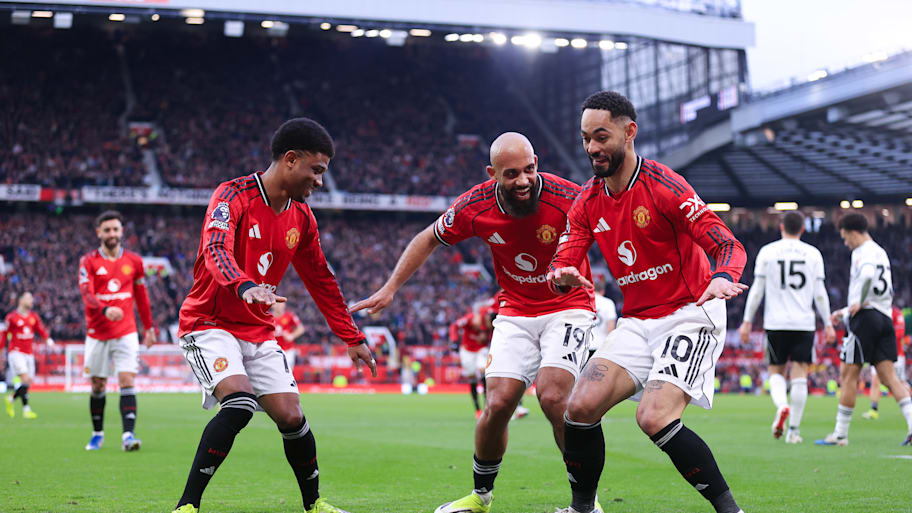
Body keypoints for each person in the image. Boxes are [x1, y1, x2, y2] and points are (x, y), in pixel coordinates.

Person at [352, 132, 596, 513]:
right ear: (492, 173)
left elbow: (610, 228)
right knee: (497, 404)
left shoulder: (568, 196)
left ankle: (586, 505)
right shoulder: (475, 205)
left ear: (537, 163)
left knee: (552, 397)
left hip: (569, 304)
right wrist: (390, 288)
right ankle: (480, 497)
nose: (523, 180)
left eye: (529, 170)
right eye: (511, 174)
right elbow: (427, 238)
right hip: (515, 310)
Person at [548, 91, 748, 513]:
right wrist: (561, 275)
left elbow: (727, 245)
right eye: (585, 138)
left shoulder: (665, 187)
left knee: (654, 416)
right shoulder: (587, 201)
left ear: (629, 132)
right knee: (579, 407)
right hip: (637, 321)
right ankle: (583, 509)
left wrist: (723, 277)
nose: (592, 148)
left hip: (690, 312)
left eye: (601, 136)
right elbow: (566, 257)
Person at [172, 118, 377, 513]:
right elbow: (215, 249)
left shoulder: (302, 218)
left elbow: (322, 279)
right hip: (209, 324)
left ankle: (314, 504)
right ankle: (187, 505)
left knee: (292, 416)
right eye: (316, 170)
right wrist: (244, 285)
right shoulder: (232, 195)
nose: (320, 181)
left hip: (258, 330)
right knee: (239, 404)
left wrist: (352, 336)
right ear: (290, 159)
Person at [738, 211, 836, 443]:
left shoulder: (768, 252)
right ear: (802, 228)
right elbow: (820, 294)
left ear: (781, 227)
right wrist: (828, 323)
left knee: (776, 371)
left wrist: (747, 320)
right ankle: (793, 431)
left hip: (776, 322)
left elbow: (757, 290)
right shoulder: (813, 254)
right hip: (804, 323)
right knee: (800, 374)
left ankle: (782, 405)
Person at [816, 213, 912, 446]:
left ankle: (840, 434)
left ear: (853, 233)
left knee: (848, 374)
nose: (845, 243)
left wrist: (857, 302)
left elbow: (867, 277)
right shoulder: (880, 251)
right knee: (890, 378)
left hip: (865, 319)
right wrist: (844, 311)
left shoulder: (862, 252)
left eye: (845, 237)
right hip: (884, 317)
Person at [78, 210, 156, 451]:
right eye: (107, 230)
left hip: (126, 331)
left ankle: (128, 437)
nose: (111, 234)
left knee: (127, 379)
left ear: (122, 231)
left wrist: (149, 327)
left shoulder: (134, 261)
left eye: (115, 229)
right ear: (98, 233)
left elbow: (141, 296)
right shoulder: (88, 261)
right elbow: (86, 293)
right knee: (98, 385)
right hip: (97, 333)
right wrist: (104, 310)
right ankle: (97, 434)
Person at [1, 292, 54, 419]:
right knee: (24, 379)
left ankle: (11, 399)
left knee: (28, 382)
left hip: (29, 353)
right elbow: (4, 336)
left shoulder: (33, 317)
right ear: (20, 301)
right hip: (16, 352)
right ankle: (26, 409)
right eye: (28, 298)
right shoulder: (11, 317)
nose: (31, 301)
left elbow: (41, 330)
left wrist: (49, 340)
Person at [449, 301, 494, 419]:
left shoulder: (491, 320)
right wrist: (454, 340)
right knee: (472, 377)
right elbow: (454, 326)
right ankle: (478, 409)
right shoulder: (468, 319)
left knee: (484, 371)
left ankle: (487, 407)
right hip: (467, 351)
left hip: (481, 349)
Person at [862, 305, 908, 419]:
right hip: (879, 354)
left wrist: (882, 336)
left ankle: (909, 406)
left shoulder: (896, 313)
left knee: (900, 382)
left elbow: (900, 333)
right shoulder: (876, 311)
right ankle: (873, 410)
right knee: (875, 380)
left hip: (896, 354)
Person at [588, 281, 617, 362]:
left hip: (585, 346)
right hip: (601, 346)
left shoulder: (586, 302)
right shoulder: (608, 303)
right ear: (603, 291)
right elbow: (611, 327)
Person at [272, 302, 305, 371]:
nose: (279, 305)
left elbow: (301, 328)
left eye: (281, 303)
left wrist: (292, 336)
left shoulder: (290, 316)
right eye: (277, 303)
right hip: (273, 350)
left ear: (284, 305)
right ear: (272, 305)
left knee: (288, 371)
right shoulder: (268, 318)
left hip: (288, 350)